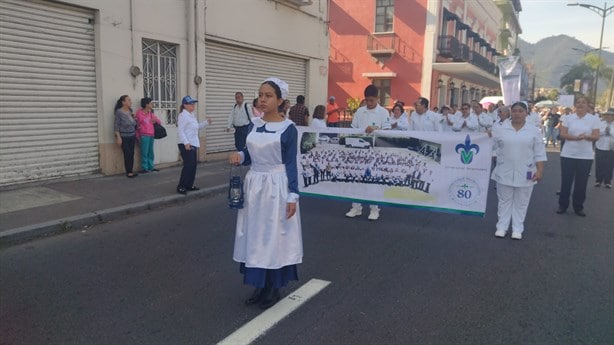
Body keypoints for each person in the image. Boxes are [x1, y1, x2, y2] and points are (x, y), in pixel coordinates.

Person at [229, 77, 301, 310]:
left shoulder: (288, 129)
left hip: (276, 187)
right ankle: (259, 284)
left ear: (280, 100)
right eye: (260, 94)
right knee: (255, 235)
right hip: (255, 186)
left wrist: (293, 196)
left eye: (268, 95)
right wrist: (239, 156)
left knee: (273, 236)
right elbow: (249, 155)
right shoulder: (254, 125)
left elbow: (291, 163)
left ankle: (273, 285)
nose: (262, 99)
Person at [491, 102, 546, 240]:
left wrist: (540, 170)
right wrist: (487, 136)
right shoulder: (500, 129)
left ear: (526, 113)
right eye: (514, 111)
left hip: (526, 171)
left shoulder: (533, 130)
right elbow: (490, 146)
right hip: (504, 169)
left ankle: (517, 229)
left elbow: (539, 152)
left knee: (521, 203)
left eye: (520, 111)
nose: (517, 113)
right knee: (504, 201)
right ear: (511, 112)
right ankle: (501, 227)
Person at [345, 84, 391, 221]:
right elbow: (353, 130)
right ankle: (356, 207)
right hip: (359, 152)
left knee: (373, 180)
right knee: (356, 179)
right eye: (367, 100)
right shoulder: (359, 112)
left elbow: (388, 131)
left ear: (377, 98)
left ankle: (374, 208)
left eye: (372, 100)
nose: (369, 103)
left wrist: (376, 128)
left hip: (376, 151)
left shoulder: (383, 112)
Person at [557, 96, 601, 216]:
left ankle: (578, 207)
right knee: (566, 181)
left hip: (585, 156)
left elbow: (596, 136)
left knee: (581, 183)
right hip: (568, 154)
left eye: (583, 102)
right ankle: (563, 205)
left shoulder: (594, 119)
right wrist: (576, 138)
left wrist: (586, 137)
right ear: (575, 105)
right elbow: (563, 134)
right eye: (578, 102)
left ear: (587, 105)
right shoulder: (568, 118)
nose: (580, 104)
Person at [176, 96, 211, 195]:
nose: (193, 105)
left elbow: (196, 127)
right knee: (188, 166)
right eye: (191, 104)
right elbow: (180, 131)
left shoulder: (191, 115)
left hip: (193, 143)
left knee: (193, 166)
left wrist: (206, 123)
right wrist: (186, 142)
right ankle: (181, 186)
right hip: (185, 144)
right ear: (185, 105)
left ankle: (189, 185)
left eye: (193, 104)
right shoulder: (183, 116)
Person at [135, 97, 162, 173]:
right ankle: (144, 167)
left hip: (151, 135)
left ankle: (151, 166)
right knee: (144, 152)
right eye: (151, 103)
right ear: (146, 104)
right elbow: (137, 125)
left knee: (151, 152)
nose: (152, 104)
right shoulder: (139, 113)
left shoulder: (151, 113)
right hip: (143, 135)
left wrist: (155, 120)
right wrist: (138, 136)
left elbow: (159, 122)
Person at [114, 95, 138, 178]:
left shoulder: (130, 111)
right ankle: (129, 172)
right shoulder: (119, 112)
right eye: (128, 100)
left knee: (131, 154)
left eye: (130, 100)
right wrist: (118, 137)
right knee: (127, 154)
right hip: (124, 136)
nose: (131, 102)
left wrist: (134, 118)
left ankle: (130, 170)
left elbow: (134, 124)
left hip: (132, 135)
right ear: (123, 102)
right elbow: (116, 125)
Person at [594, 108, 614, 188]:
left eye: (611, 115)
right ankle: (598, 180)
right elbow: (596, 133)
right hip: (600, 145)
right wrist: (604, 132)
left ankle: (607, 181)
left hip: (611, 147)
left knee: (609, 164)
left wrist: (610, 133)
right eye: (607, 115)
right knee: (599, 164)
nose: (609, 117)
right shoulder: (601, 123)